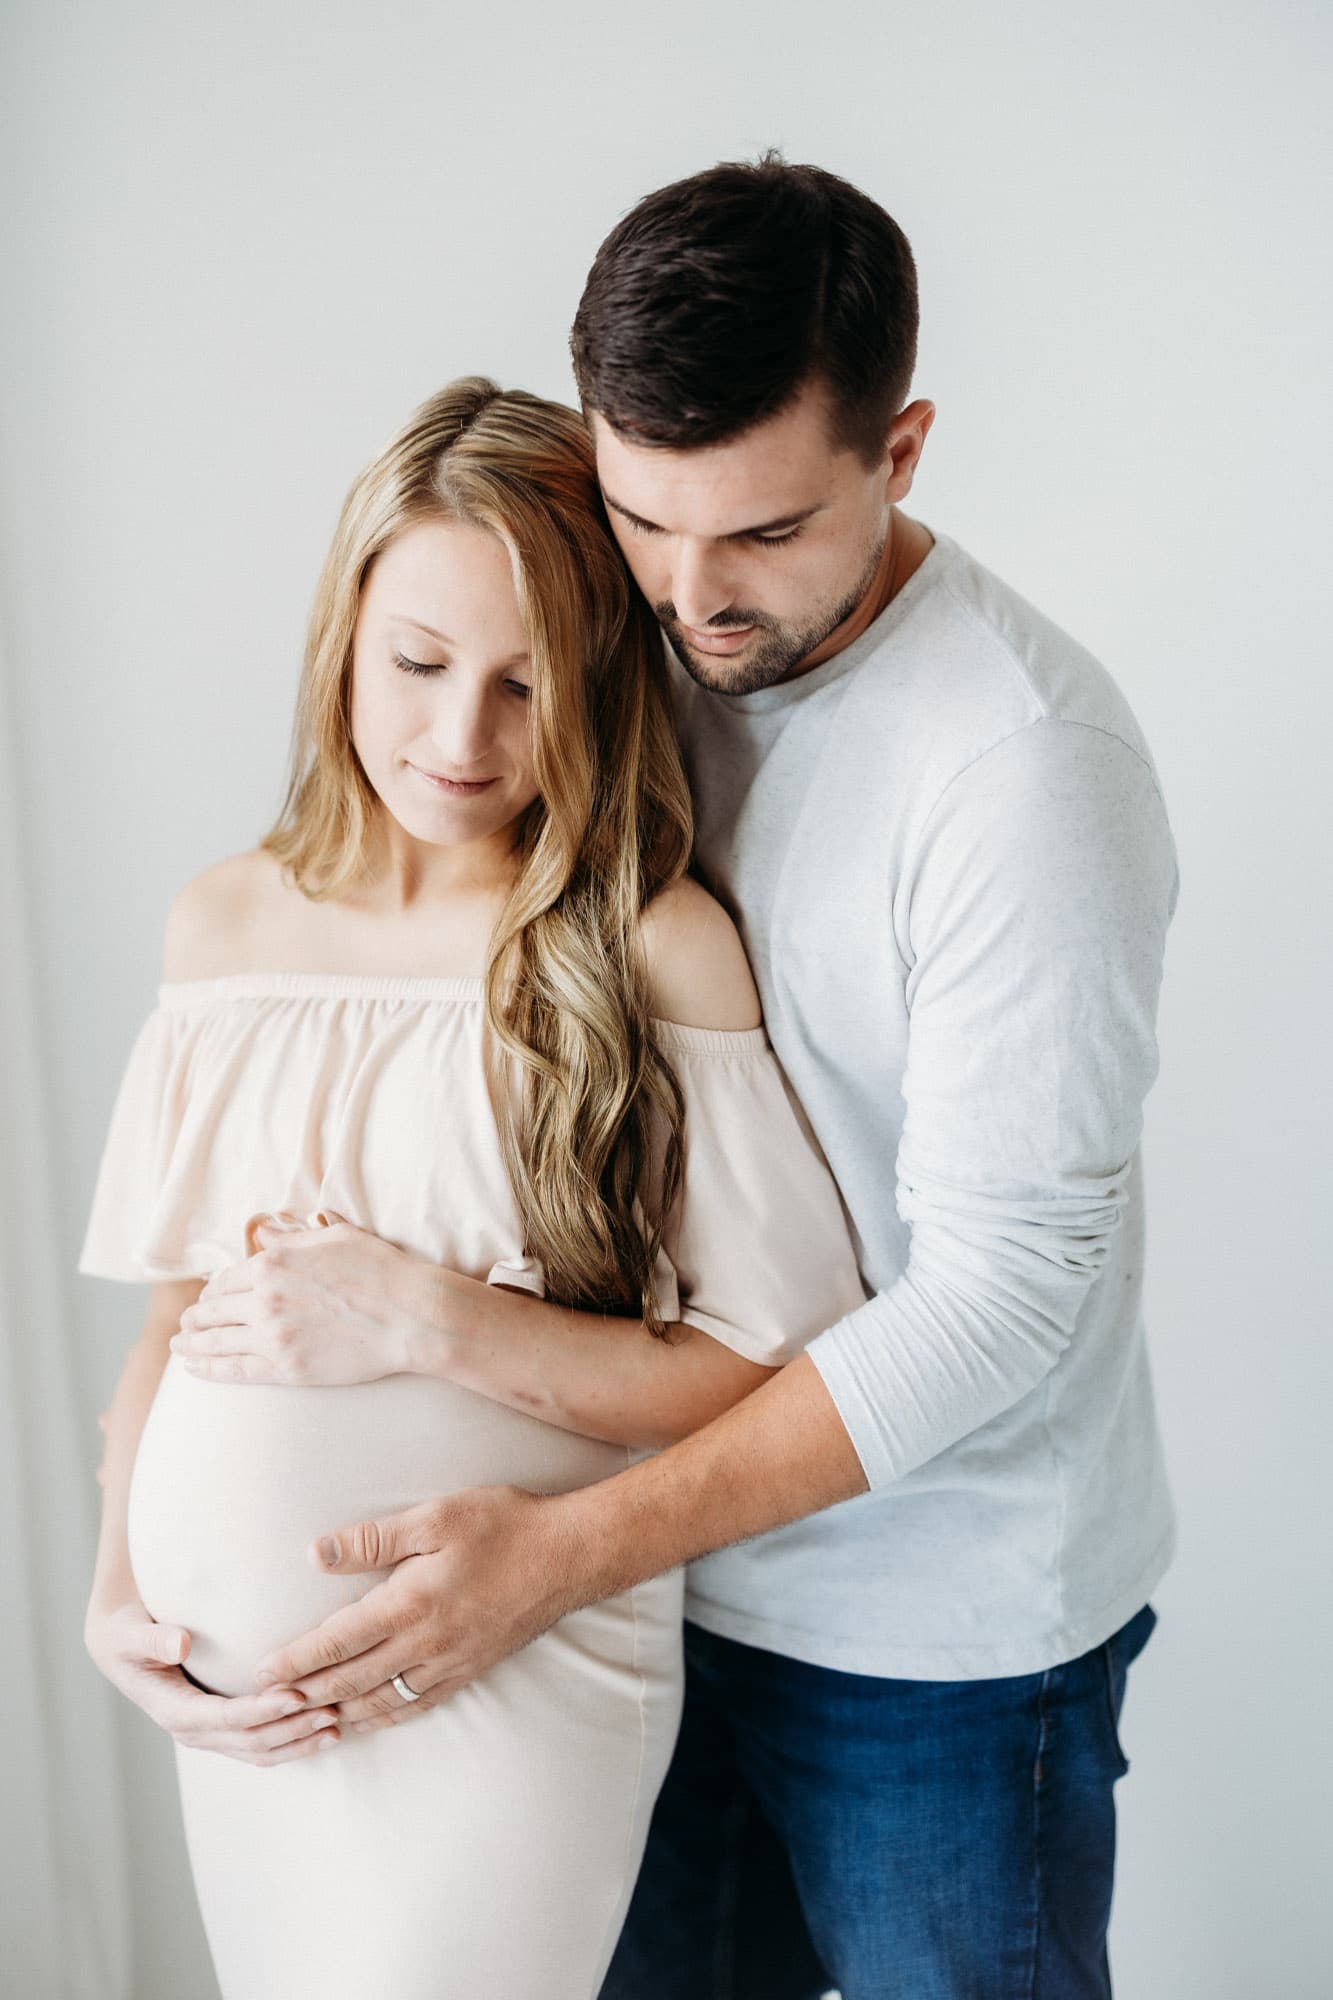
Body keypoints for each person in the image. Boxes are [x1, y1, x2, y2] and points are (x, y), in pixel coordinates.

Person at [151, 161, 1177, 1999]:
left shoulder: (1021, 775)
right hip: (638, 1614)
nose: (692, 599)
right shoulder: (600, 650)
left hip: (922, 1643)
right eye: (642, 520)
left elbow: (1005, 1299)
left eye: (766, 534)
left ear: (902, 446)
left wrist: (548, 1546)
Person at [78, 377, 868, 2000]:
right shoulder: (222, 925)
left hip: (505, 1665)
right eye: (419, 668)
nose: (460, 739)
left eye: (526, 685)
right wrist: (115, 1591)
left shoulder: (649, 947)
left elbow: (774, 1372)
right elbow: (180, 1317)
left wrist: (434, 1323)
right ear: (343, 642)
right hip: (241, 1700)